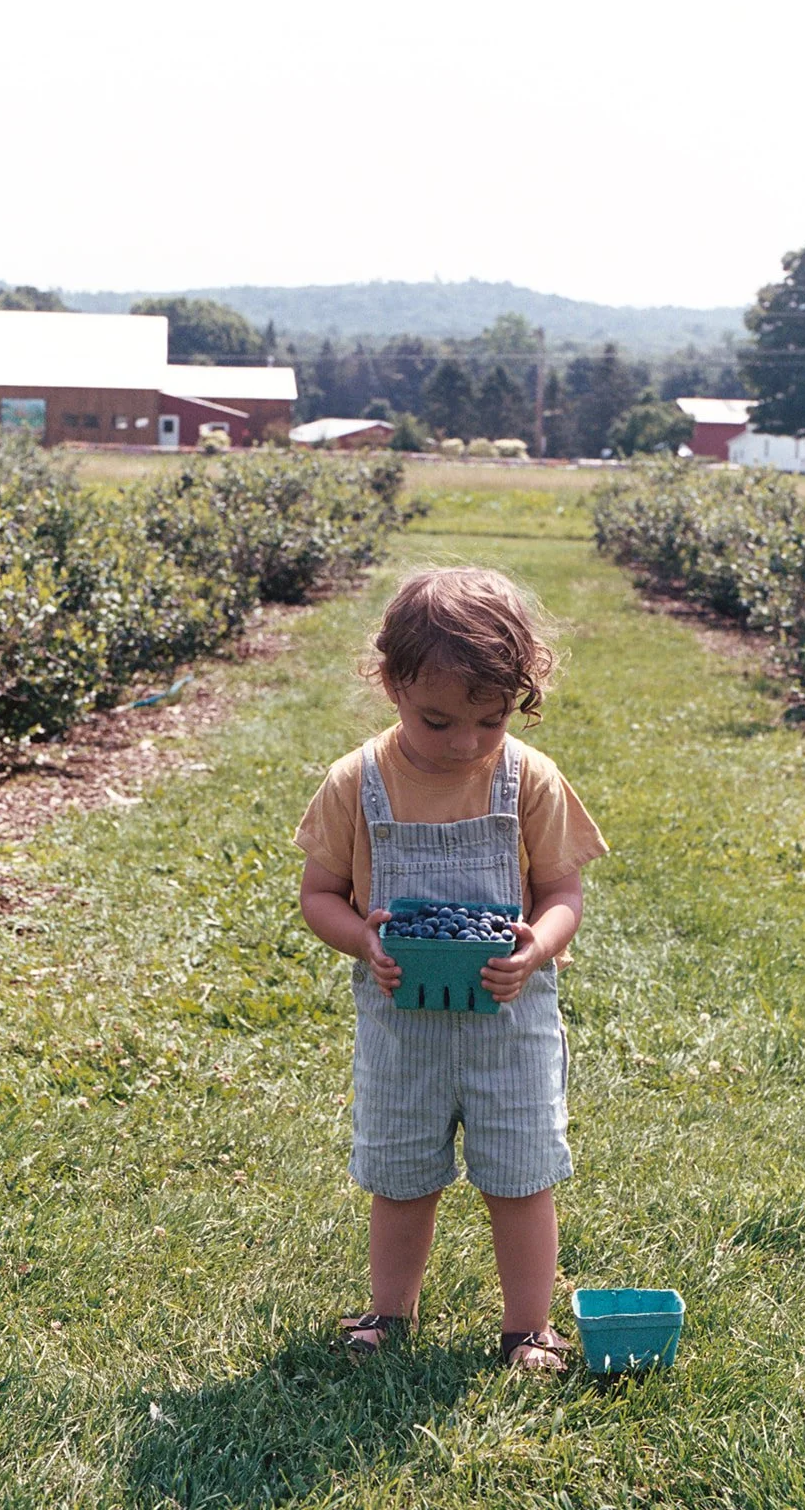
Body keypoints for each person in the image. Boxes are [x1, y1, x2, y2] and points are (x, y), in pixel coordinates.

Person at [294, 566, 607, 1371]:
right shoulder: (355, 783)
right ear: (392, 683)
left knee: (521, 1173)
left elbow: (562, 890)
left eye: (489, 721)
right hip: (403, 1026)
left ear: (517, 704)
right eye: (437, 721)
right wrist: (363, 941)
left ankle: (526, 1328)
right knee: (400, 1175)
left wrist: (535, 946)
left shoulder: (529, 779)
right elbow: (320, 895)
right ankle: (390, 1315)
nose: (464, 743)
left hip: (510, 1023)